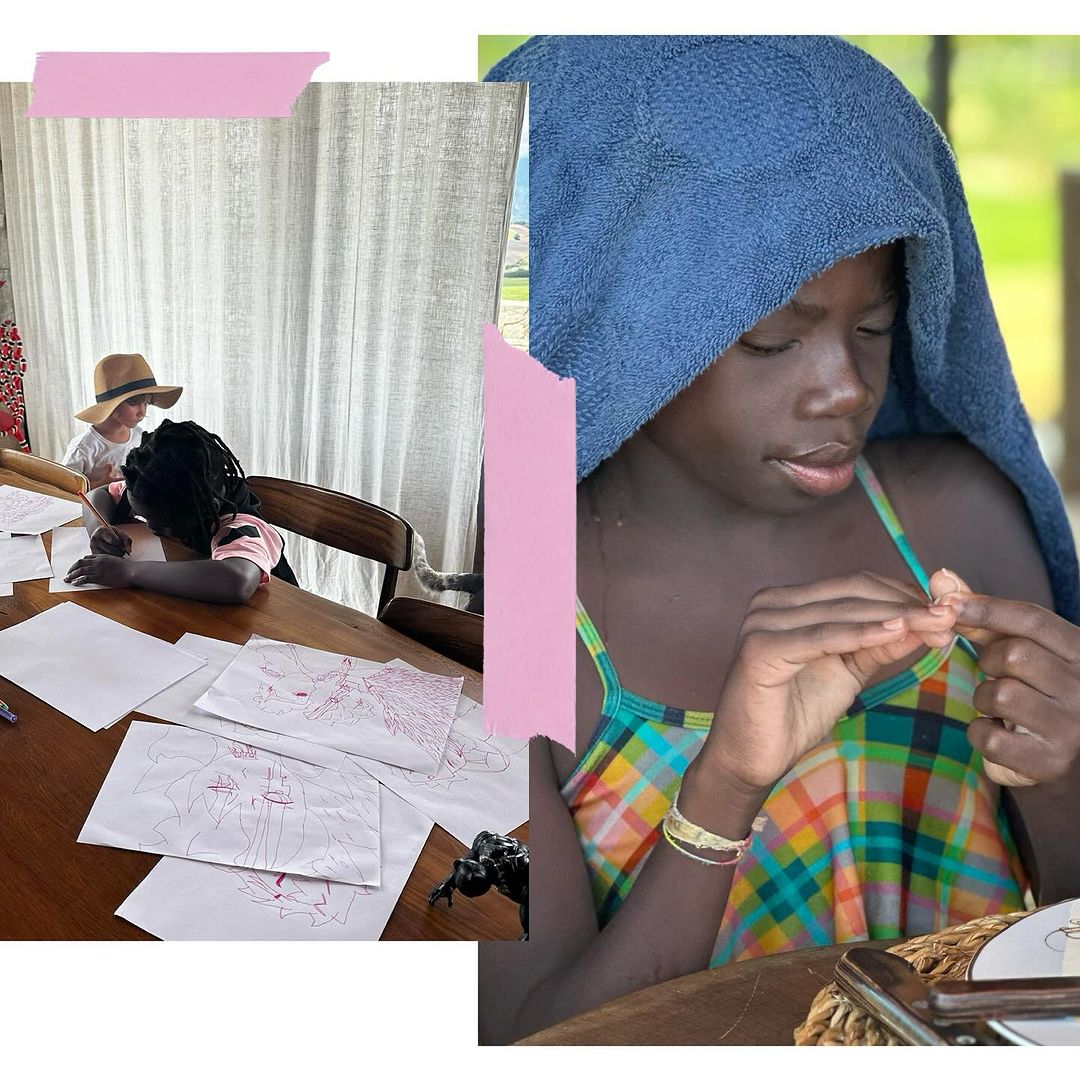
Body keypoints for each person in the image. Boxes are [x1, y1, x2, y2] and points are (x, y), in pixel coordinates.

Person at [481, 35, 1080, 1044]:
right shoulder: (501, 613)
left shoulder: (960, 522)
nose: (845, 386)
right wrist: (723, 789)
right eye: (771, 340)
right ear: (605, 322)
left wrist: (1061, 774)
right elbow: (531, 1040)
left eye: (874, 329)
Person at [65, 419, 298, 602]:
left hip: (273, 624)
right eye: (145, 517)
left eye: (162, 524)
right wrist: (99, 527)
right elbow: (101, 493)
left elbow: (237, 580)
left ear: (207, 510)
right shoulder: (153, 489)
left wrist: (131, 572)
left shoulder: (240, 525)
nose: (153, 530)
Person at [62, 353, 182, 488]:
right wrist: (99, 484)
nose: (142, 412)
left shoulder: (140, 437)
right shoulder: (83, 448)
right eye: (135, 402)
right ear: (111, 405)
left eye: (146, 402)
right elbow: (64, 491)